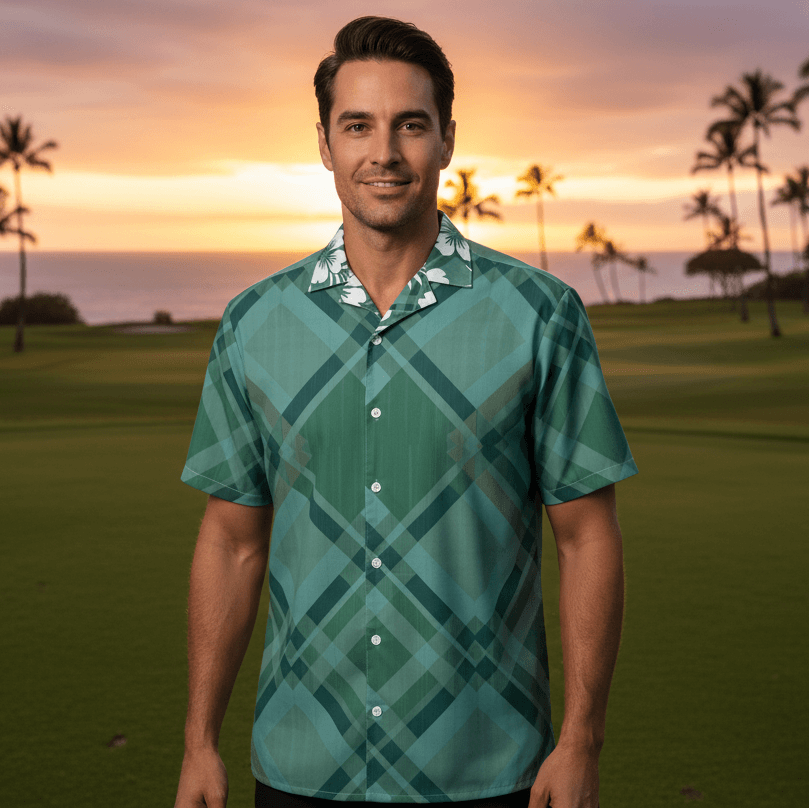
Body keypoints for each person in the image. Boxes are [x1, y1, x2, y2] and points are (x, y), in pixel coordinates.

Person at [174, 15, 638, 809]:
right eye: (357, 125)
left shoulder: (538, 313)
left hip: (489, 769)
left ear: (446, 139)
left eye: (409, 125)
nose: (383, 152)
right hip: (297, 766)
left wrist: (581, 738)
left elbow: (586, 534)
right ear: (324, 143)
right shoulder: (252, 324)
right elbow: (230, 541)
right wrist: (198, 743)